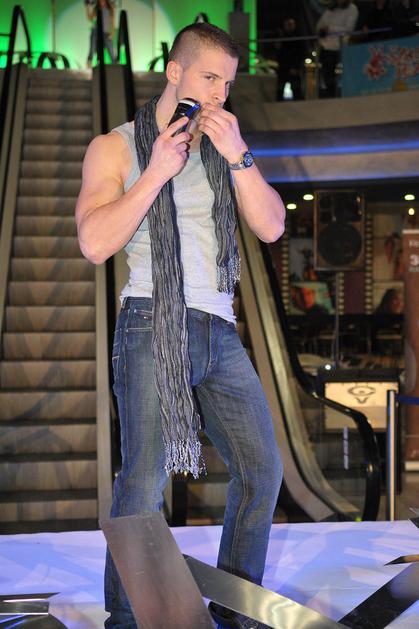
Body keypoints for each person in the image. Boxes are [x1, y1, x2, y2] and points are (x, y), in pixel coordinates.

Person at [75, 22, 285, 629]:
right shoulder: (115, 146)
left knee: (262, 470)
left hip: (219, 326)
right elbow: (94, 243)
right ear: (175, 72)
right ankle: (126, 620)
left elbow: (271, 226)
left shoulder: (225, 150)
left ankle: (237, 610)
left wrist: (239, 155)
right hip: (151, 322)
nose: (219, 93)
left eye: (228, 83)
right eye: (209, 77)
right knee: (143, 481)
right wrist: (155, 172)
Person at [316, 0, 359, 97]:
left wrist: (330, 29)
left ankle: (344, 95)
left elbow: (348, 29)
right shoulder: (331, 9)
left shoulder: (352, 9)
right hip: (326, 47)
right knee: (327, 75)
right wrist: (322, 31)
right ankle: (330, 96)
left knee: (343, 74)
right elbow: (319, 25)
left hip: (340, 48)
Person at [275, 17, 306, 100]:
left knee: (296, 91)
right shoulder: (281, 37)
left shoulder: (298, 37)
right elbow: (278, 53)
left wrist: (296, 67)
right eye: (287, 24)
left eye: (291, 24)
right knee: (280, 90)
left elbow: (301, 53)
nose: (289, 26)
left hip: (294, 67)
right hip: (283, 68)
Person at [86, 0, 116, 68]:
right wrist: (87, 8)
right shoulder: (97, 9)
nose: (101, 1)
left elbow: (113, 22)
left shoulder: (110, 9)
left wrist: (112, 33)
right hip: (96, 32)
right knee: (92, 49)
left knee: (111, 51)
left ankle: (115, 67)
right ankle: (89, 66)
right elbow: (90, 18)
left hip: (106, 33)